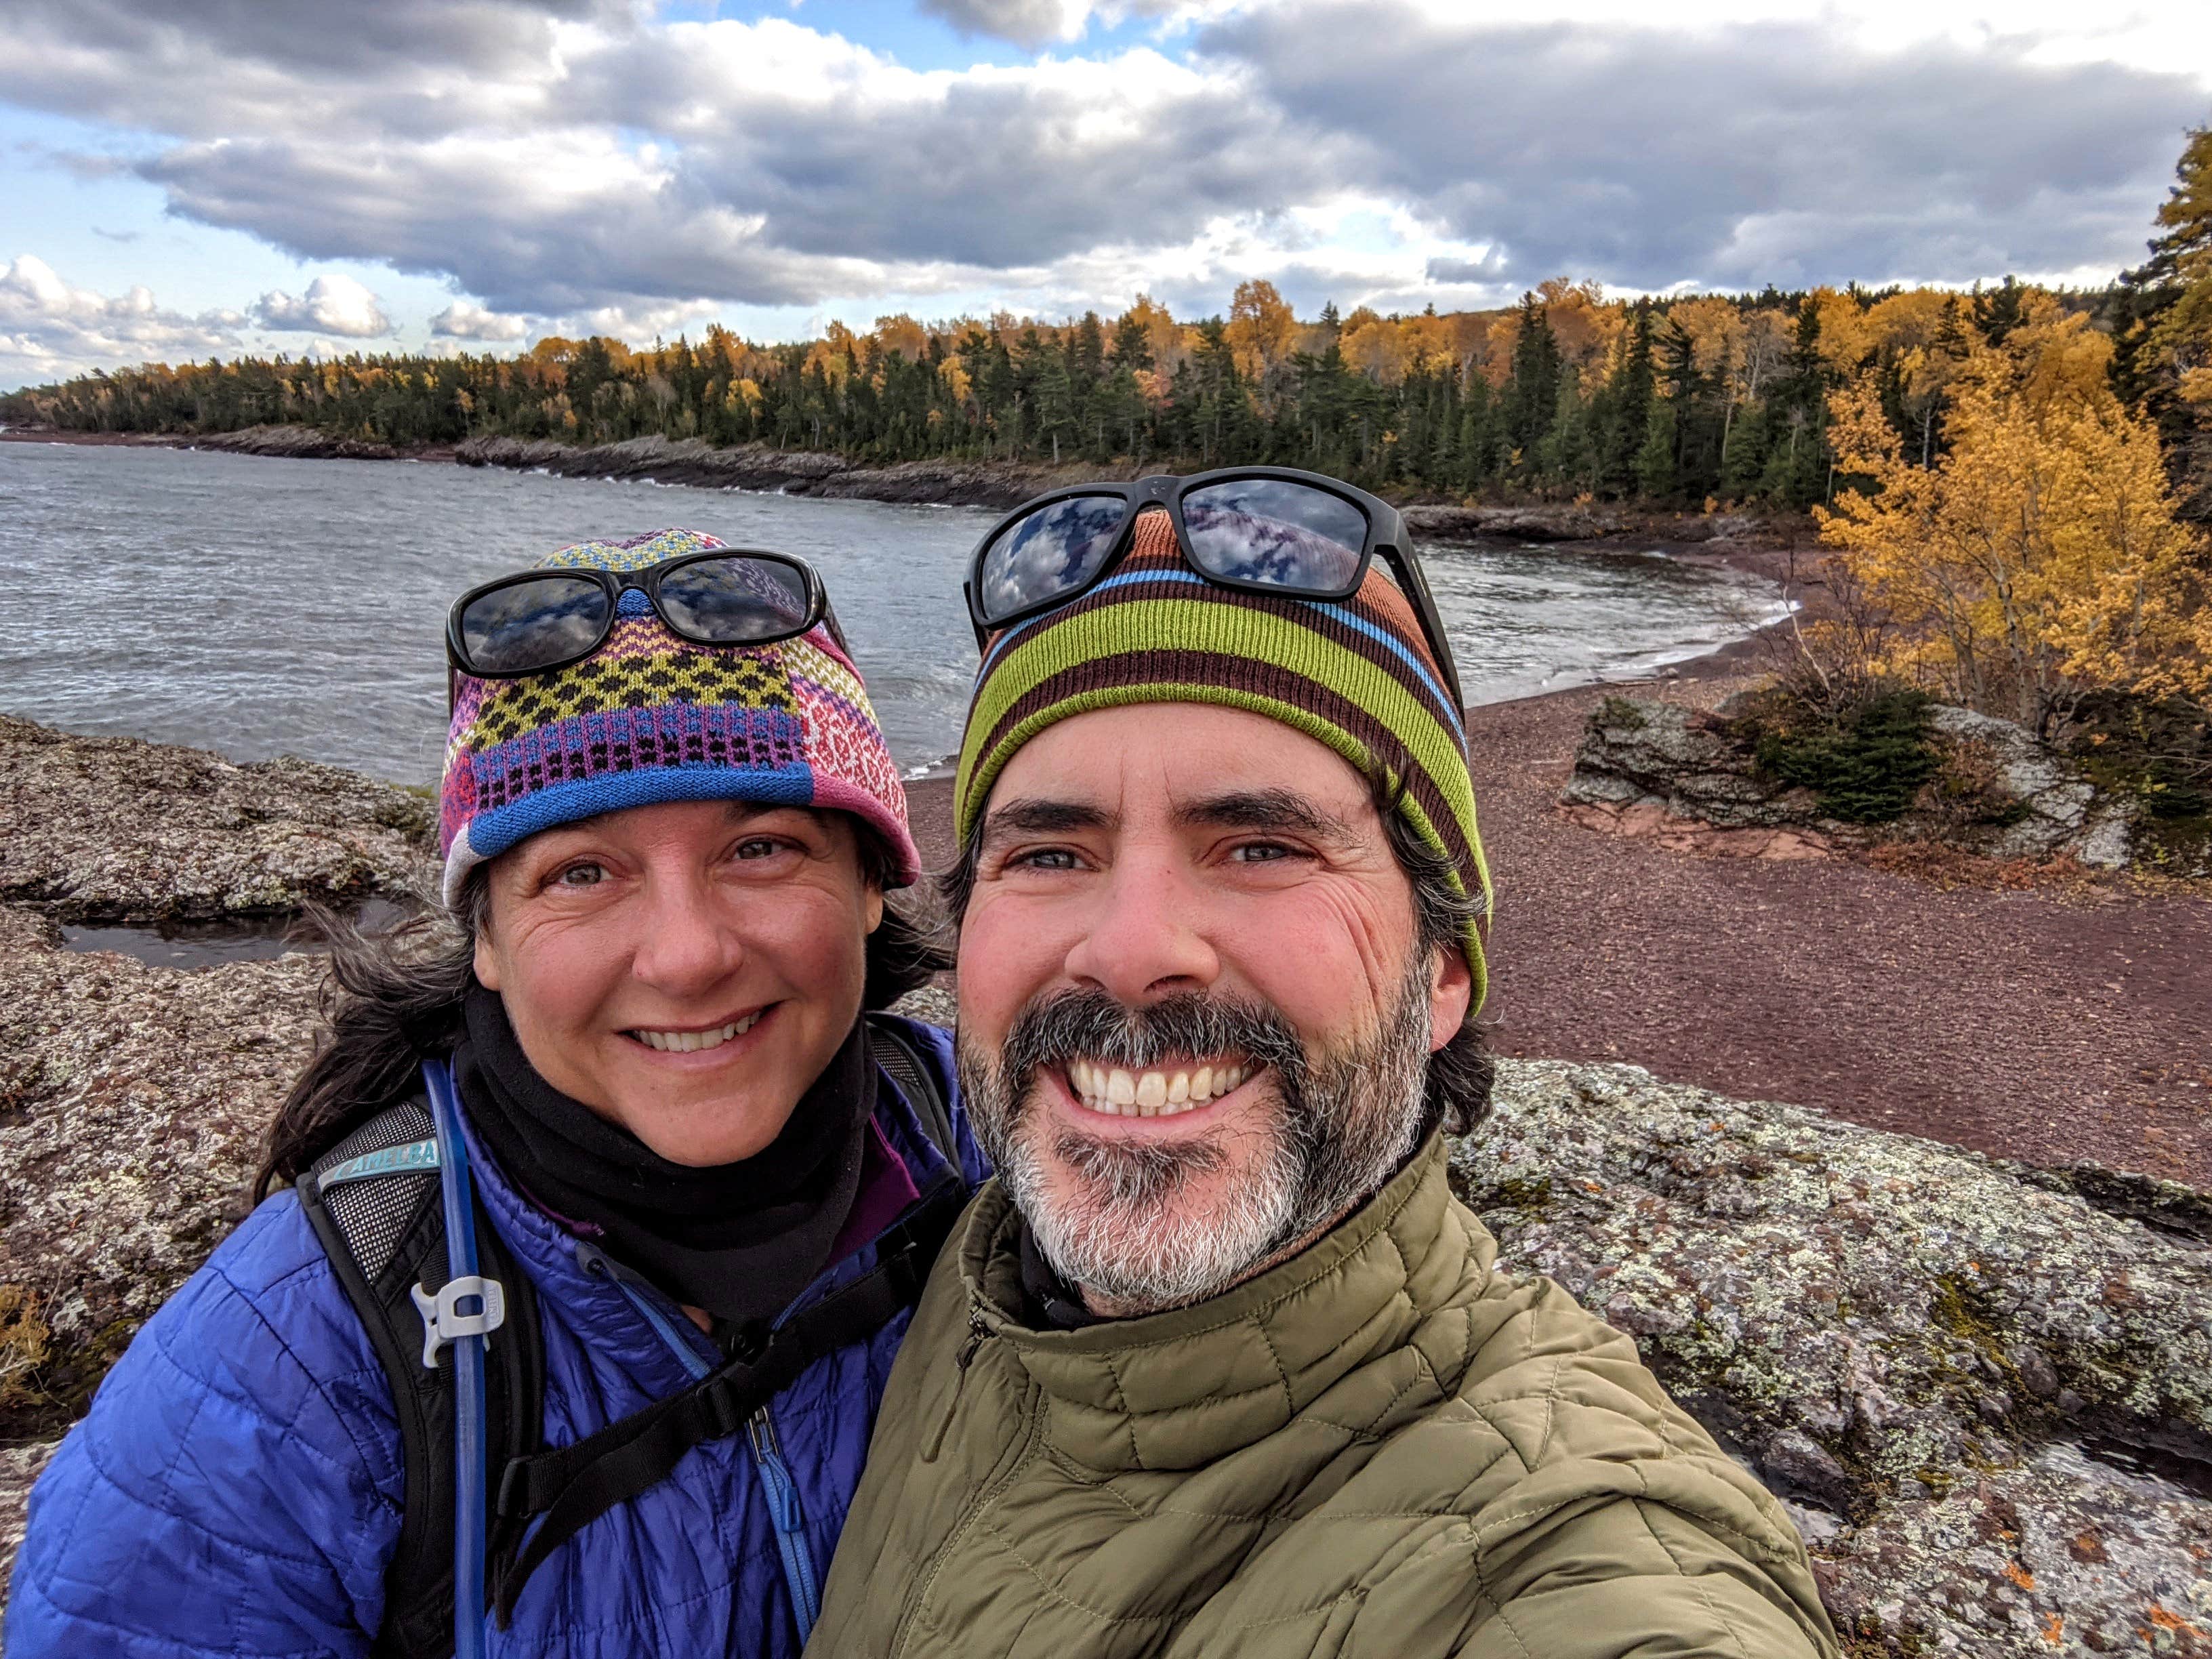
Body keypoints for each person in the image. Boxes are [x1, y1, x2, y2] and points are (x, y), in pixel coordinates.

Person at [807, 475, 1841, 1657]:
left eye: (1261, 846)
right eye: (1048, 855)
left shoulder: (1561, 1554)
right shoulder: (968, 1283)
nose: (1132, 952)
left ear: (1441, 970)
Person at [8, 528, 987, 1658]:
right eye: (582, 871)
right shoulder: (286, 1372)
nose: (686, 957)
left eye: (760, 849)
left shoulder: (992, 1159)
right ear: (485, 938)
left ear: (871, 882)